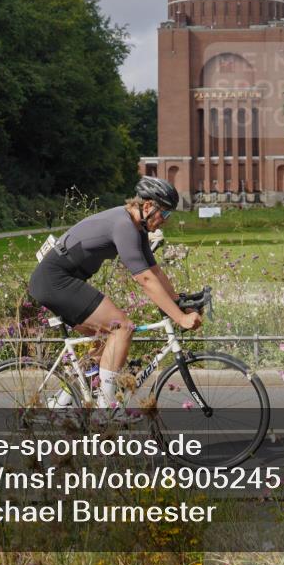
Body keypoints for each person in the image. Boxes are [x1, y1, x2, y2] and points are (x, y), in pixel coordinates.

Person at [28, 177, 202, 416]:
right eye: (165, 214)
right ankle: (107, 410)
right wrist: (180, 319)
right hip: (54, 281)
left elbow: (155, 271)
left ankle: (61, 401)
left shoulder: (136, 226)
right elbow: (144, 280)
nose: (165, 221)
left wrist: (178, 301)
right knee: (121, 327)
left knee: (105, 341)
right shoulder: (124, 226)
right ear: (149, 206)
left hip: (59, 280)